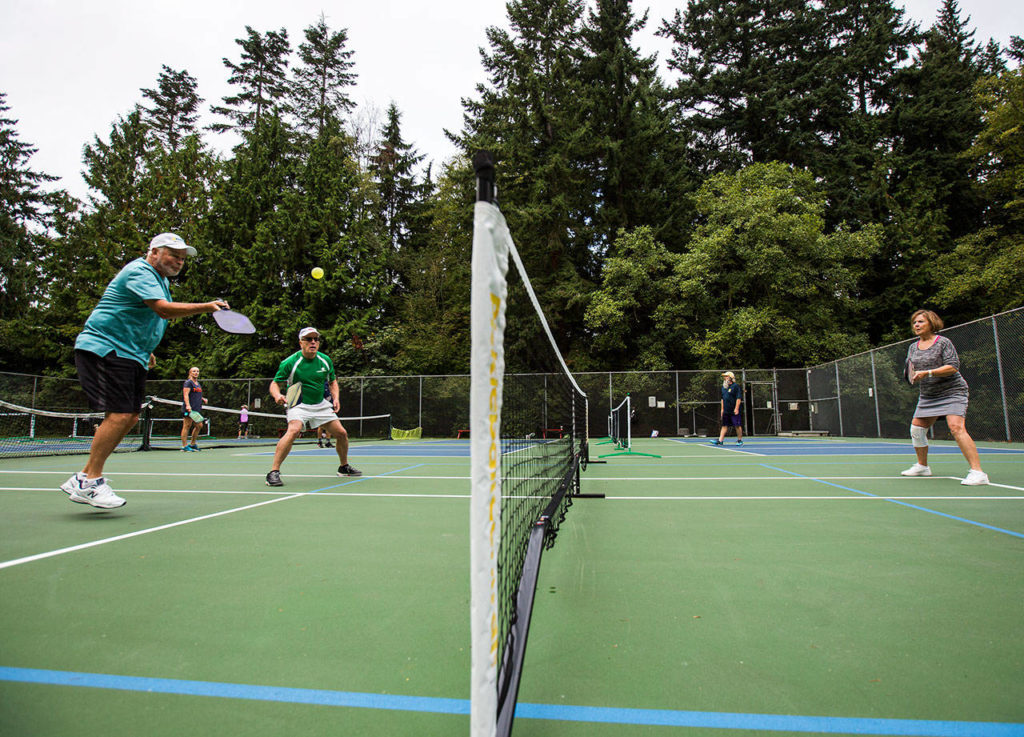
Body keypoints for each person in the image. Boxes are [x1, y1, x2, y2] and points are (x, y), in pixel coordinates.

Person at [60, 233, 229, 508]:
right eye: (173, 255)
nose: (179, 262)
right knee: (121, 414)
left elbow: (140, 315)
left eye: (183, 258)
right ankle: (90, 481)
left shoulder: (160, 280)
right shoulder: (140, 270)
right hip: (104, 348)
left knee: (130, 417)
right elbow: (163, 310)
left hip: (131, 353)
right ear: (153, 252)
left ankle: (84, 476)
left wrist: (145, 347)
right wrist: (207, 307)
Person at [901, 309, 989, 486]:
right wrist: (914, 375)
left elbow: (953, 366)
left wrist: (928, 373)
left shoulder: (943, 343)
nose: (916, 325)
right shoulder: (912, 347)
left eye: (920, 322)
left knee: (956, 428)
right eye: (914, 323)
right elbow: (911, 370)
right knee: (916, 430)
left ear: (931, 323)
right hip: (929, 394)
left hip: (952, 391)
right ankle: (922, 466)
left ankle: (978, 473)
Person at [265, 327, 361, 486]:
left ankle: (343, 467)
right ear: (301, 342)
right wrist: (277, 395)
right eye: (309, 339)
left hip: (320, 404)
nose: (313, 342)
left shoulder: (325, 360)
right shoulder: (290, 362)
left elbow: (332, 381)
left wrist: (336, 398)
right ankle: (273, 472)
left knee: (342, 433)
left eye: (316, 339)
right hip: (298, 402)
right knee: (294, 430)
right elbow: (275, 383)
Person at [711, 371, 744, 446]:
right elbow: (722, 399)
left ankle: (739, 440)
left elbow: (738, 398)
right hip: (726, 410)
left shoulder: (735, 386)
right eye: (724, 376)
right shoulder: (724, 387)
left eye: (726, 376)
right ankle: (720, 440)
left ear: (731, 378)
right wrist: (722, 409)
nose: (725, 378)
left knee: (737, 425)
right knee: (724, 425)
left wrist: (736, 408)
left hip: (734, 410)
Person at [181, 366, 207, 451]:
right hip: (189, 408)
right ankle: (184, 446)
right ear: (190, 373)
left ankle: (192, 444)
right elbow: (186, 395)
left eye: (197, 371)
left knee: (199, 425)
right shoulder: (188, 383)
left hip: (196, 408)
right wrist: (188, 406)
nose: (196, 373)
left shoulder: (197, 383)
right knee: (187, 425)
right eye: (194, 371)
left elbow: (195, 393)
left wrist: (202, 398)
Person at [316, 380, 334, 448]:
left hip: (329, 408)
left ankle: (328, 442)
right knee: (321, 426)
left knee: (329, 425)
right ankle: (319, 441)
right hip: (321, 408)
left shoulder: (333, 387)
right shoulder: (323, 385)